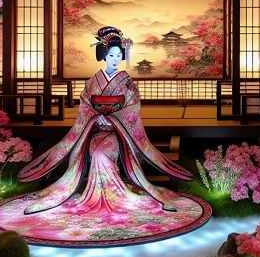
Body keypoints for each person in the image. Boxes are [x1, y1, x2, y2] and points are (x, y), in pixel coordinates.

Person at [18, 26, 193, 215]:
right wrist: (95, 117)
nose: (116, 59)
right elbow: (85, 105)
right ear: (103, 56)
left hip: (118, 133)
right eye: (111, 56)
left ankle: (114, 195)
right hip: (94, 130)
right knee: (94, 152)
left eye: (119, 55)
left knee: (102, 153)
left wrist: (112, 119)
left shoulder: (126, 81)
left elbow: (132, 107)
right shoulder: (93, 81)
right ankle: (95, 194)